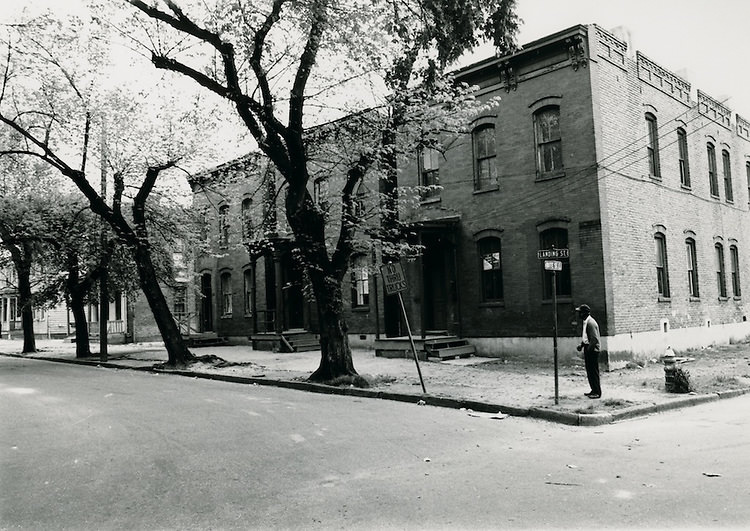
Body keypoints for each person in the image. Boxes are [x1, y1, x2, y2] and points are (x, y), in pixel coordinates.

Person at [576, 304, 601, 399]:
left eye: (580, 312)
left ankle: (597, 392)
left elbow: (594, 339)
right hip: (588, 347)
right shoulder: (586, 322)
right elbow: (587, 337)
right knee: (590, 371)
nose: (579, 314)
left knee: (593, 371)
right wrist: (582, 345)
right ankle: (593, 390)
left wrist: (589, 350)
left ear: (584, 313)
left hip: (592, 350)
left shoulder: (590, 323)